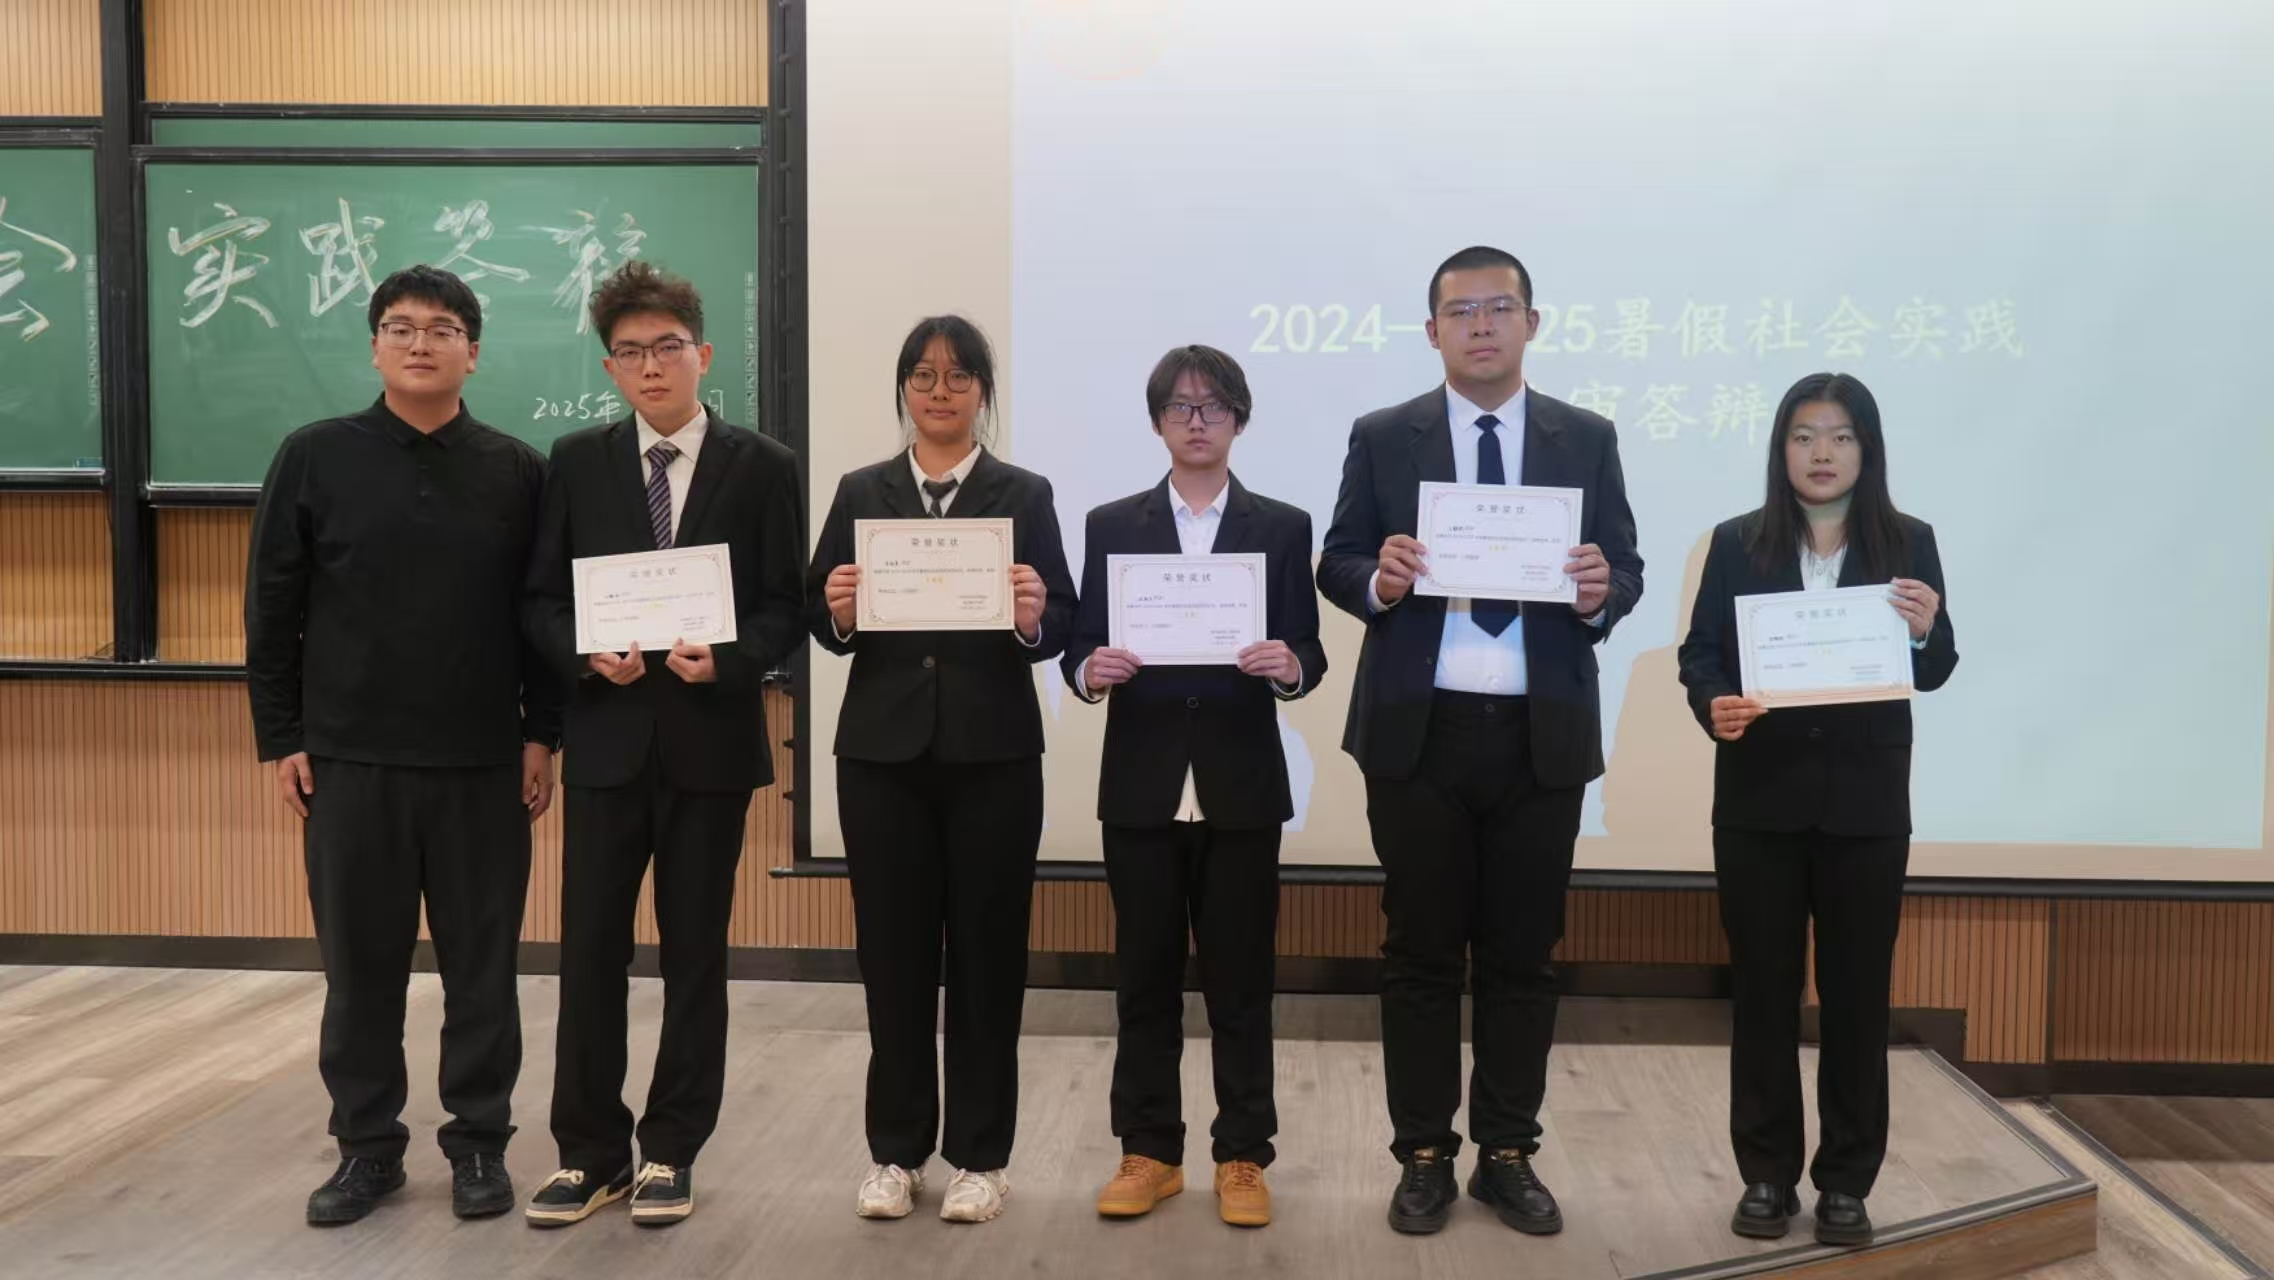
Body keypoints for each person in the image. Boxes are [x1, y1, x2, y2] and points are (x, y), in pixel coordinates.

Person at [1317, 245, 1643, 1237]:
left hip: (1541, 734)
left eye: (1500, 307)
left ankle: (1507, 1152)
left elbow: (1623, 567)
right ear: (1433, 332)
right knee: (1419, 951)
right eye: (1462, 312)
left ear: (1532, 323)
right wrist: (1381, 578)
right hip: (1420, 734)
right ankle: (1423, 1153)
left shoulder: (1586, 437)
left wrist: (1599, 592)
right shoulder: (1385, 435)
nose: (1482, 325)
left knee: (1523, 956)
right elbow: (1338, 558)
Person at [245, 265, 560, 1226]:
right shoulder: (314, 456)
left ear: (474, 351)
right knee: (360, 972)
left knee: (482, 971)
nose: (421, 343)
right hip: (351, 763)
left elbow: (544, 616)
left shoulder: (518, 470)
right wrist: (283, 737)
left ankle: (479, 1145)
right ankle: (366, 1150)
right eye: (401, 327)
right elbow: (272, 607)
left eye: (442, 329)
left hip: (482, 764)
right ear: (376, 346)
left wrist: (541, 733)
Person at [519, 262, 805, 1229]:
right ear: (610, 367)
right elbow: (541, 600)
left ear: (703, 355)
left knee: (696, 955)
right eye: (631, 352)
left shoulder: (764, 465)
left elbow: (784, 606)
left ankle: (672, 1148)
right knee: (590, 953)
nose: (651, 366)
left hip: (709, 747)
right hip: (606, 746)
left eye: (668, 348)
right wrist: (585, 656)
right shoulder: (576, 461)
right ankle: (588, 1153)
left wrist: (728, 660)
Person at [807, 315, 1077, 1225]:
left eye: (959, 377)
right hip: (881, 759)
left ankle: (982, 1159)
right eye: (922, 376)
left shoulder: (1023, 493)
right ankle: (895, 1153)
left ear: (983, 392)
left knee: (990, 960)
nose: (939, 392)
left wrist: (1034, 616)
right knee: (892, 959)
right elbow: (820, 616)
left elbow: (1062, 620)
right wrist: (839, 609)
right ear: (903, 390)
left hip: (994, 756)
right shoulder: (861, 490)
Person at [1677, 372, 1956, 1248]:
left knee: (1857, 1000)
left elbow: (1936, 667)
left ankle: (1845, 1182)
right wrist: (1713, 704)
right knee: (1762, 994)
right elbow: (1700, 656)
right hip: (1759, 803)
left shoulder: (1909, 542)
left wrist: (1926, 628)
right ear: (1781, 450)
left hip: (1865, 810)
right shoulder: (1737, 542)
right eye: (1803, 436)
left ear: (1866, 449)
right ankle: (1765, 1176)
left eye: (1839, 436)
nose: (1822, 452)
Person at [1061, 345, 1327, 1229]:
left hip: (1240, 785)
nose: (1198, 420)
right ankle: (1150, 1151)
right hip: (1142, 784)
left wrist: (1290, 665)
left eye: (1214, 405)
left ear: (1239, 419)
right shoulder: (1113, 524)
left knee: (1241, 983)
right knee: (1143, 980)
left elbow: (1309, 648)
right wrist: (1089, 670)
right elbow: (1080, 645)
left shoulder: (1281, 526)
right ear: (1157, 422)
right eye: (1180, 406)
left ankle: (1243, 1155)